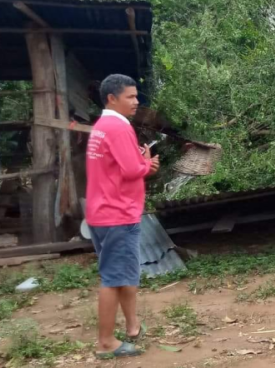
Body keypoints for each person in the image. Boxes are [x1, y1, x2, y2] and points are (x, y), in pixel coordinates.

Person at [85, 74, 159, 359]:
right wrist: (148, 164)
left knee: (125, 272)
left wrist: (139, 160)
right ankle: (105, 342)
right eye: (130, 97)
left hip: (101, 211)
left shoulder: (101, 127)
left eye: (136, 96)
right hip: (117, 214)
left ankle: (132, 325)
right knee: (114, 278)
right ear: (111, 99)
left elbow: (119, 166)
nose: (136, 102)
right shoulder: (118, 127)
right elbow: (131, 170)